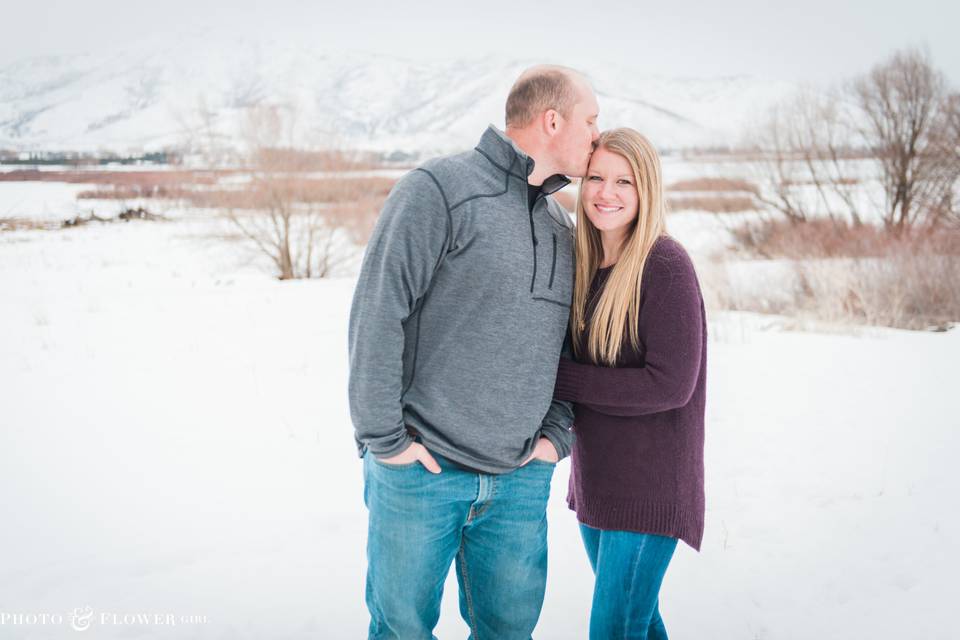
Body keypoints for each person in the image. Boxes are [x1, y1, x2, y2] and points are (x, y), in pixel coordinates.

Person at [348, 65, 600, 639]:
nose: (596, 136)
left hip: (517, 483)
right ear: (552, 120)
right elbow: (378, 313)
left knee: (509, 633)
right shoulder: (438, 189)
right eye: (590, 121)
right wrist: (385, 440)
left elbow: (567, 348)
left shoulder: (561, 225)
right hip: (422, 473)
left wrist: (554, 437)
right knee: (401, 631)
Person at [552, 128, 707, 640]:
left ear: (646, 189)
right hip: (598, 480)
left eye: (624, 181)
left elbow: (670, 385)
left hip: (649, 487)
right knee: (637, 622)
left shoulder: (664, 265)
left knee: (614, 627)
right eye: (596, 177)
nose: (606, 192)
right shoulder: (583, 263)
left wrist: (559, 379)